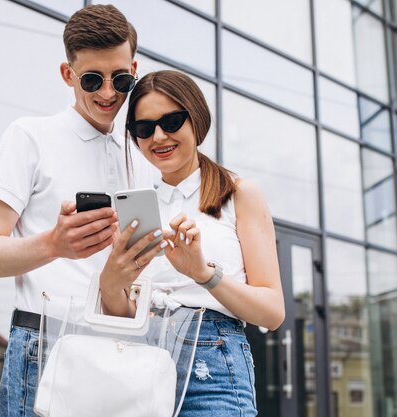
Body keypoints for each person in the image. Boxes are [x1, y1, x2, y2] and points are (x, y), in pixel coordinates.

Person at [0, 5, 156, 416]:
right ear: (66, 75)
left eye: (121, 78)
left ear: (134, 68)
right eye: (92, 79)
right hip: (45, 341)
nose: (109, 93)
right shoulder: (29, 137)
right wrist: (55, 244)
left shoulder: (141, 156)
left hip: (122, 345)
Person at [99, 70, 286, 417]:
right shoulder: (137, 207)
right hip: (140, 363)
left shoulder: (238, 194)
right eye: (143, 128)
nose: (158, 136)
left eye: (171, 121)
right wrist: (110, 283)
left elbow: (273, 312)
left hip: (212, 367)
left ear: (196, 118)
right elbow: (123, 313)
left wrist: (204, 275)